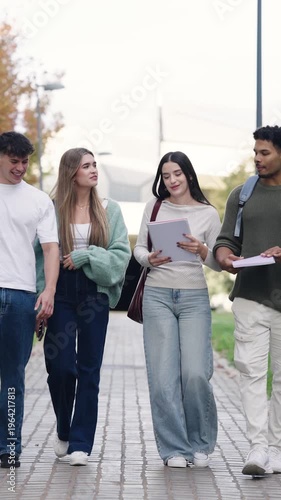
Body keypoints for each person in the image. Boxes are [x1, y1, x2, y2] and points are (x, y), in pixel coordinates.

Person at [36, 147, 131, 466]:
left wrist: (87, 254)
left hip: (94, 292)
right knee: (61, 366)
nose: (94, 170)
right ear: (71, 173)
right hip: (59, 289)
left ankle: (80, 443)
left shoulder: (109, 209)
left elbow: (120, 256)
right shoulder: (51, 209)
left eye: (95, 165)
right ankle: (64, 427)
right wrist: (41, 293)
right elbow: (39, 255)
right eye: (86, 166)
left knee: (89, 369)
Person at [134, 151, 221, 468]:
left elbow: (218, 262)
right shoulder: (154, 207)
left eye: (177, 174)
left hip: (194, 297)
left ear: (189, 175)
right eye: (166, 175)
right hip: (157, 294)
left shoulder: (208, 214)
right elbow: (139, 248)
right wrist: (149, 259)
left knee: (195, 373)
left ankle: (200, 443)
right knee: (163, 377)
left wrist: (201, 249)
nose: (171, 180)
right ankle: (174, 449)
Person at [214, 125, 281, 476]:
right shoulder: (242, 195)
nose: (257, 158)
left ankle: (279, 448)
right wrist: (225, 256)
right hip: (251, 296)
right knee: (251, 372)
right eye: (255, 152)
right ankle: (258, 447)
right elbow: (227, 239)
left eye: (265, 152)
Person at [0, 131, 59, 469]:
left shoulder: (38, 200)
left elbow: (51, 248)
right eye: (14, 161)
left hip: (22, 296)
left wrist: (48, 291)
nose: (20, 167)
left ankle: (9, 447)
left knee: (12, 376)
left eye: (25, 161)